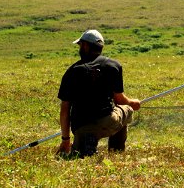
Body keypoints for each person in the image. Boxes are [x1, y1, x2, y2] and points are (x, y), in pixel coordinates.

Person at [56, 29, 141, 158]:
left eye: (80, 45)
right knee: (126, 109)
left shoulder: (72, 72)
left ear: (85, 46)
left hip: (81, 127)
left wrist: (65, 139)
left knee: (79, 156)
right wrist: (132, 103)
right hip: (107, 121)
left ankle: (85, 144)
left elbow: (65, 109)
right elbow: (119, 100)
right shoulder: (113, 66)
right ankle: (116, 152)